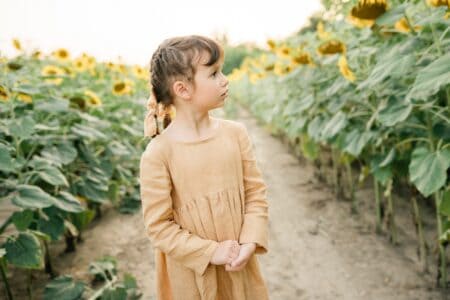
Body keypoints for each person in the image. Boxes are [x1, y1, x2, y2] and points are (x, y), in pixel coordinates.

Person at [139, 34, 270, 300]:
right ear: (183, 90)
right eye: (213, 74)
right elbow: (159, 227)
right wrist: (212, 252)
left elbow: (255, 194)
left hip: (238, 265)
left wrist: (250, 241)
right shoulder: (159, 153)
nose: (224, 79)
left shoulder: (236, 134)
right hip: (192, 274)